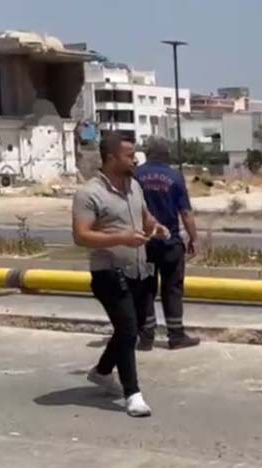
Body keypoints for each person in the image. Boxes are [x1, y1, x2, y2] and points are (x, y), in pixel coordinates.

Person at [72, 133, 170, 417]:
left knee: (133, 328)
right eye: (129, 155)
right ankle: (133, 393)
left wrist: (157, 227)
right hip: (108, 272)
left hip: (138, 270)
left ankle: (102, 371)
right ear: (112, 158)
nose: (135, 159)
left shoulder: (134, 187)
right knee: (128, 329)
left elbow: (145, 216)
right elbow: (81, 235)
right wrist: (121, 238)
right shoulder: (89, 193)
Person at [135, 139, 200, 351]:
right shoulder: (175, 176)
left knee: (145, 288)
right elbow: (186, 213)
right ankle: (176, 336)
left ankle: (146, 337)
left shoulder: (136, 176)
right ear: (167, 155)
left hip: (144, 244)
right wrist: (193, 238)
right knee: (172, 288)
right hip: (170, 244)